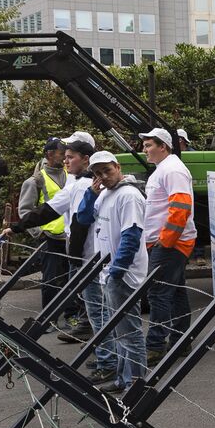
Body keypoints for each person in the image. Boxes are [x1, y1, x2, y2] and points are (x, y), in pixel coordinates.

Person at [4, 138, 115, 380]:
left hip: (89, 257)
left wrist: (74, 257)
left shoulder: (84, 185)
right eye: (64, 156)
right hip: (85, 256)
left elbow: (78, 223)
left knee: (99, 311)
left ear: (86, 159)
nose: (65, 160)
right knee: (97, 310)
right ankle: (106, 357)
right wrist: (18, 226)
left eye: (71, 157)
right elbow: (49, 210)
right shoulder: (76, 184)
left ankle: (109, 361)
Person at [83, 151, 149, 394]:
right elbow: (84, 217)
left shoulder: (129, 195)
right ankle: (124, 379)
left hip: (122, 273)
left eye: (107, 171)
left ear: (118, 167)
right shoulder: (105, 195)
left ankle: (136, 383)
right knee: (119, 330)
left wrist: (117, 271)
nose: (103, 176)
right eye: (98, 173)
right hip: (108, 272)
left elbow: (131, 235)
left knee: (129, 331)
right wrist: (91, 194)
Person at [138, 127, 196, 363]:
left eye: (149, 145)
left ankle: (154, 346)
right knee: (174, 292)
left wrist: (164, 243)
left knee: (158, 293)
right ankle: (180, 342)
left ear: (163, 146)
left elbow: (180, 209)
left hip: (171, 244)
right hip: (168, 243)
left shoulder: (171, 169)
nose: (144, 149)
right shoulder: (165, 168)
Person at [16, 138, 73, 330]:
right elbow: (25, 211)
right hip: (50, 238)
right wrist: (38, 233)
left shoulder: (70, 175)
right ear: (50, 154)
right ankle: (49, 319)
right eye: (61, 153)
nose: (65, 157)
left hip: (70, 237)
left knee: (71, 278)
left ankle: (71, 317)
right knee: (51, 280)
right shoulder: (35, 181)